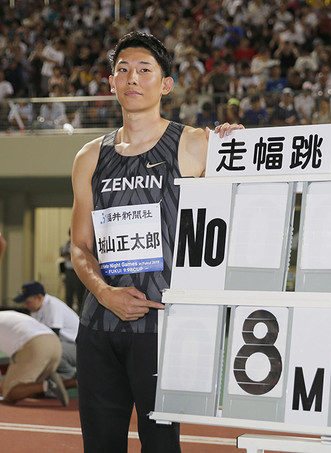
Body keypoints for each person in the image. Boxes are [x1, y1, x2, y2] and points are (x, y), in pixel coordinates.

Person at [70, 31, 243, 453]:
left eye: (145, 70)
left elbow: (245, 205)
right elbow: (79, 247)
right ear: (111, 82)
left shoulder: (196, 144)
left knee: (162, 446)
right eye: (123, 70)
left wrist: (238, 146)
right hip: (99, 326)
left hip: (163, 327)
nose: (132, 78)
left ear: (165, 84)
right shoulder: (90, 156)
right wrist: (106, 293)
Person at [13, 280, 79, 383]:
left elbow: (53, 337)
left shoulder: (52, 305)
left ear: (39, 297)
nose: (25, 306)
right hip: (65, 345)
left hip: (79, 348)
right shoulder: (36, 309)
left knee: (46, 350)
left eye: (27, 302)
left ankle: (69, 375)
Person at [0, 310, 69, 406]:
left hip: (35, 345)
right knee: (6, 385)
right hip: (54, 342)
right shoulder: (5, 315)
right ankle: (52, 383)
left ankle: (49, 385)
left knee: (9, 393)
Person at [60, 230, 86, 311]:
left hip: (77, 272)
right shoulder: (68, 243)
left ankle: (80, 313)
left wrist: (70, 254)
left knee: (79, 294)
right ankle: (69, 311)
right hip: (69, 271)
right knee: (68, 294)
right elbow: (63, 253)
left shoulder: (80, 243)